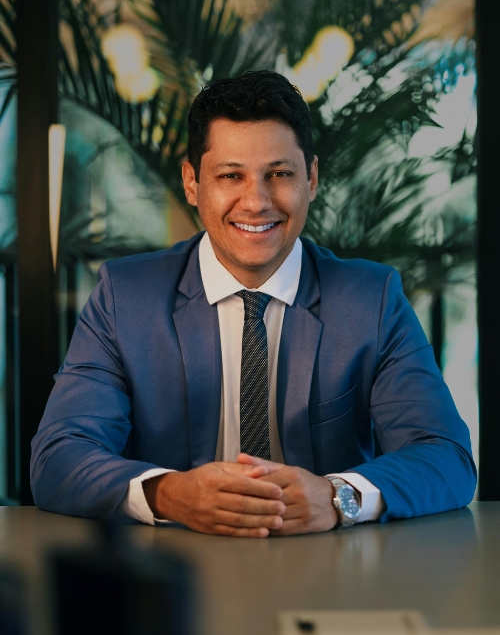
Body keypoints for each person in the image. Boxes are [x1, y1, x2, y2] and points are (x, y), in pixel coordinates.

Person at [31, 71, 476, 537]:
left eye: (279, 174)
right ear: (191, 183)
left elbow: (445, 454)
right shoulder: (124, 298)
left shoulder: (372, 299)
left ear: (312, 179)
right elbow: (59, 455)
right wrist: (170, 493)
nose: (257, 202)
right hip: (172, 563)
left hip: (328, 560)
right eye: (231, 176)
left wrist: (337, 497)